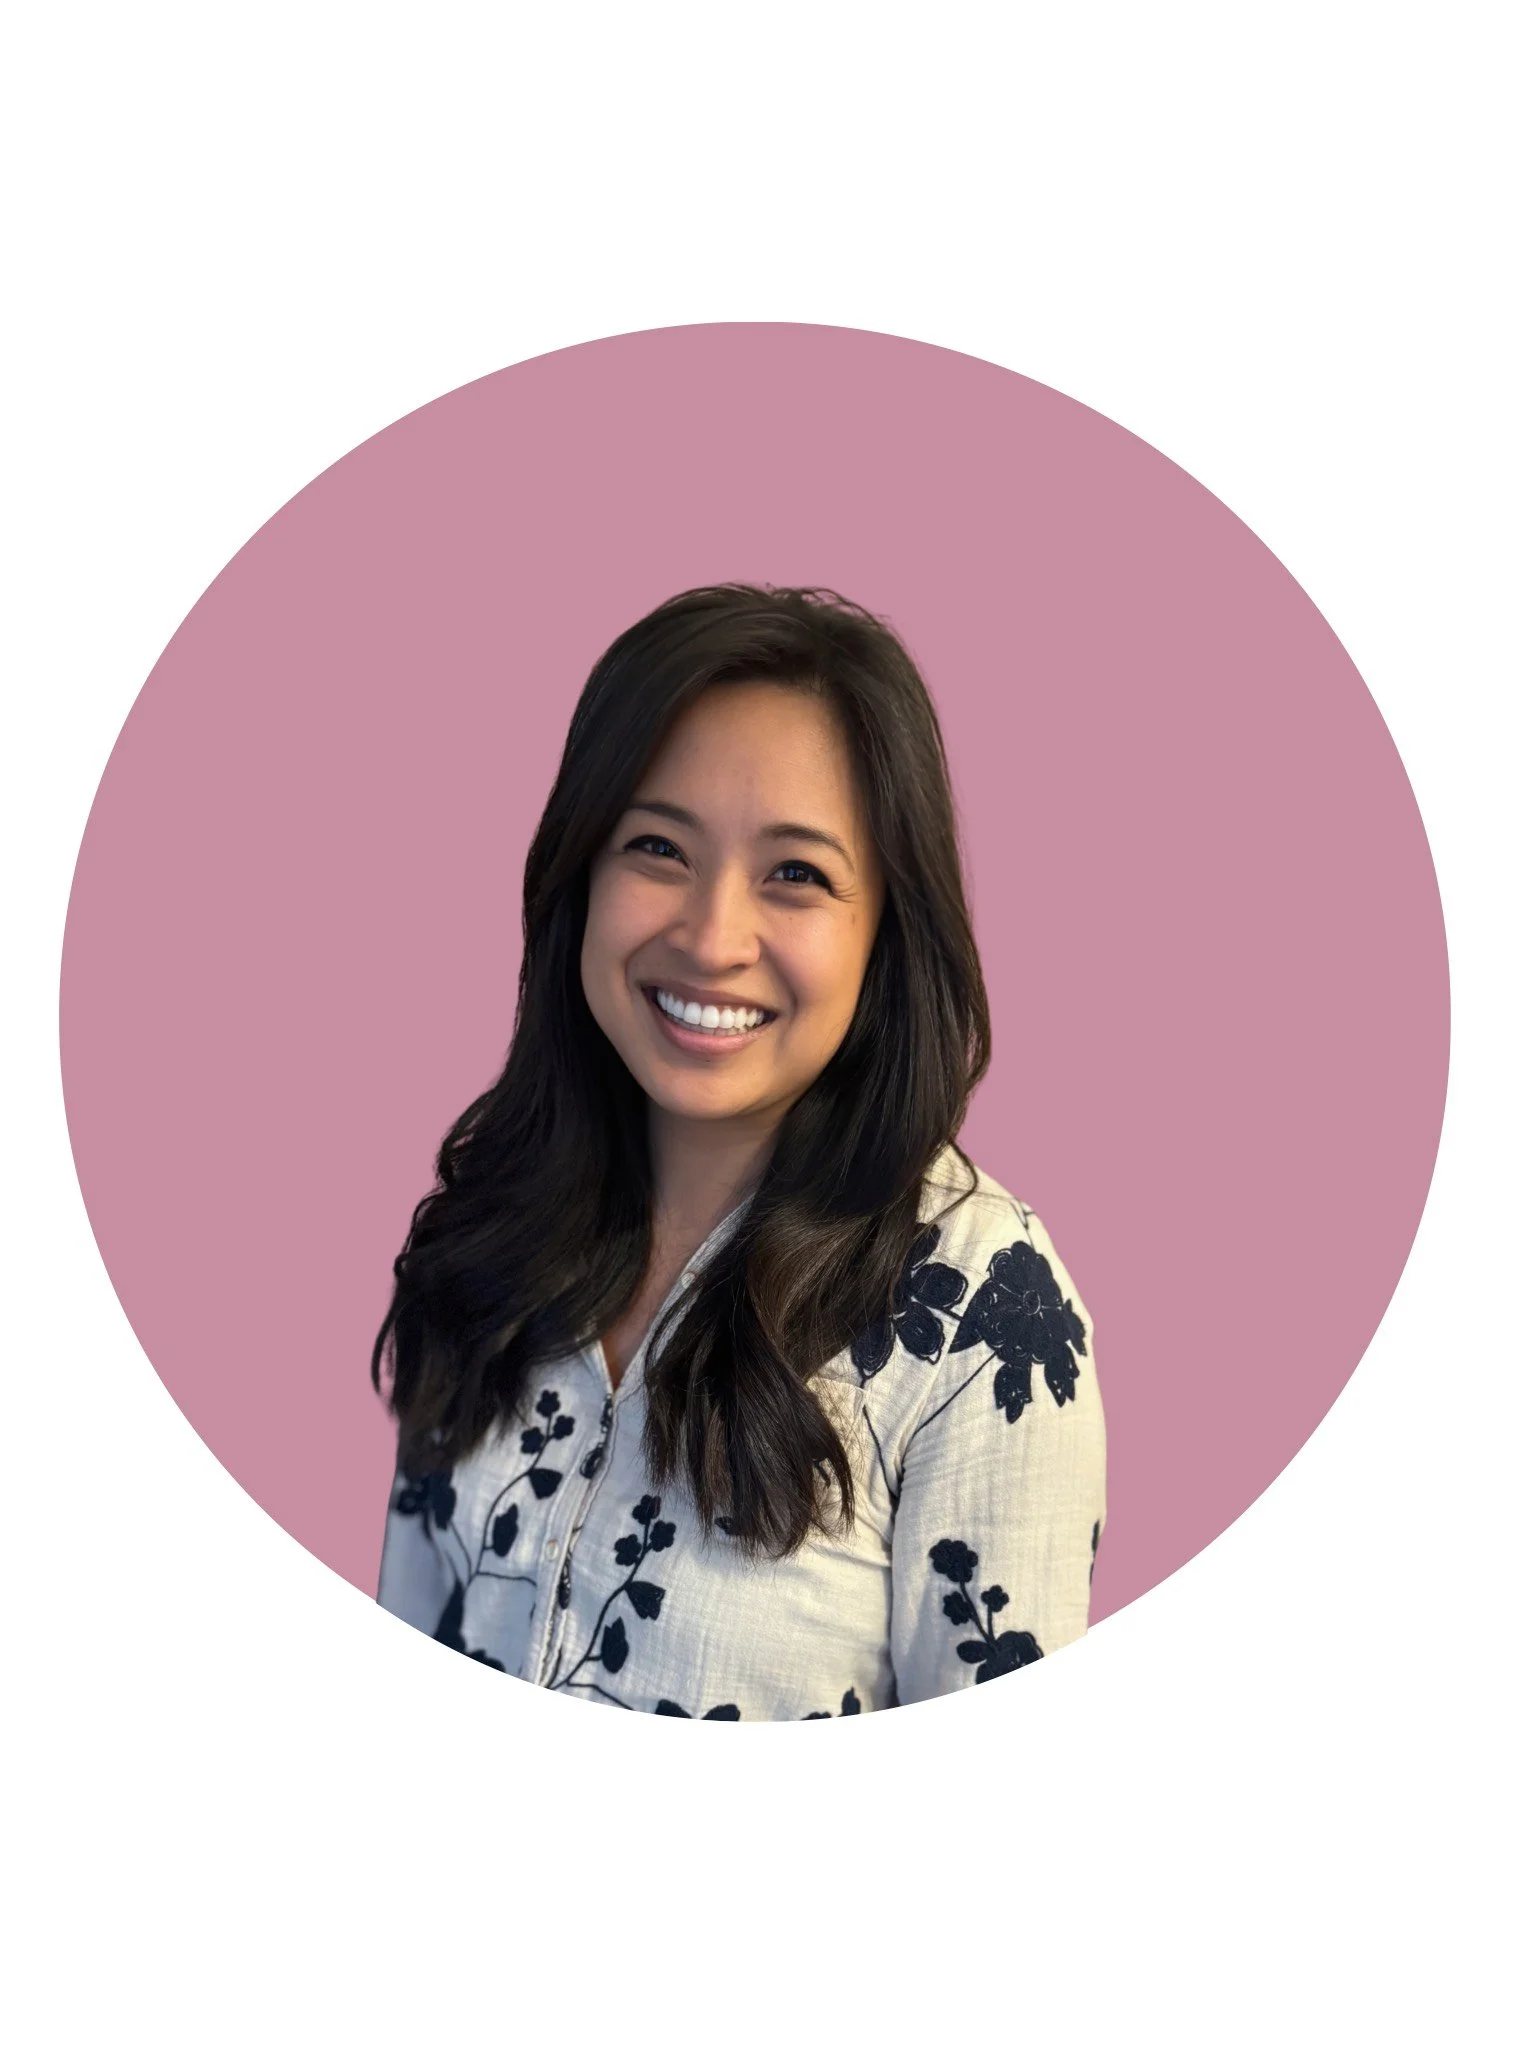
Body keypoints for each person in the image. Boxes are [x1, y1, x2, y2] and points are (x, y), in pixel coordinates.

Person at [372, 583, 1107, 1718]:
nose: (712, 937)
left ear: (886, 929)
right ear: (582, 873)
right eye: (658, 846)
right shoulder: (494, 1221)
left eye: (796, 873)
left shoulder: (984, 1314)